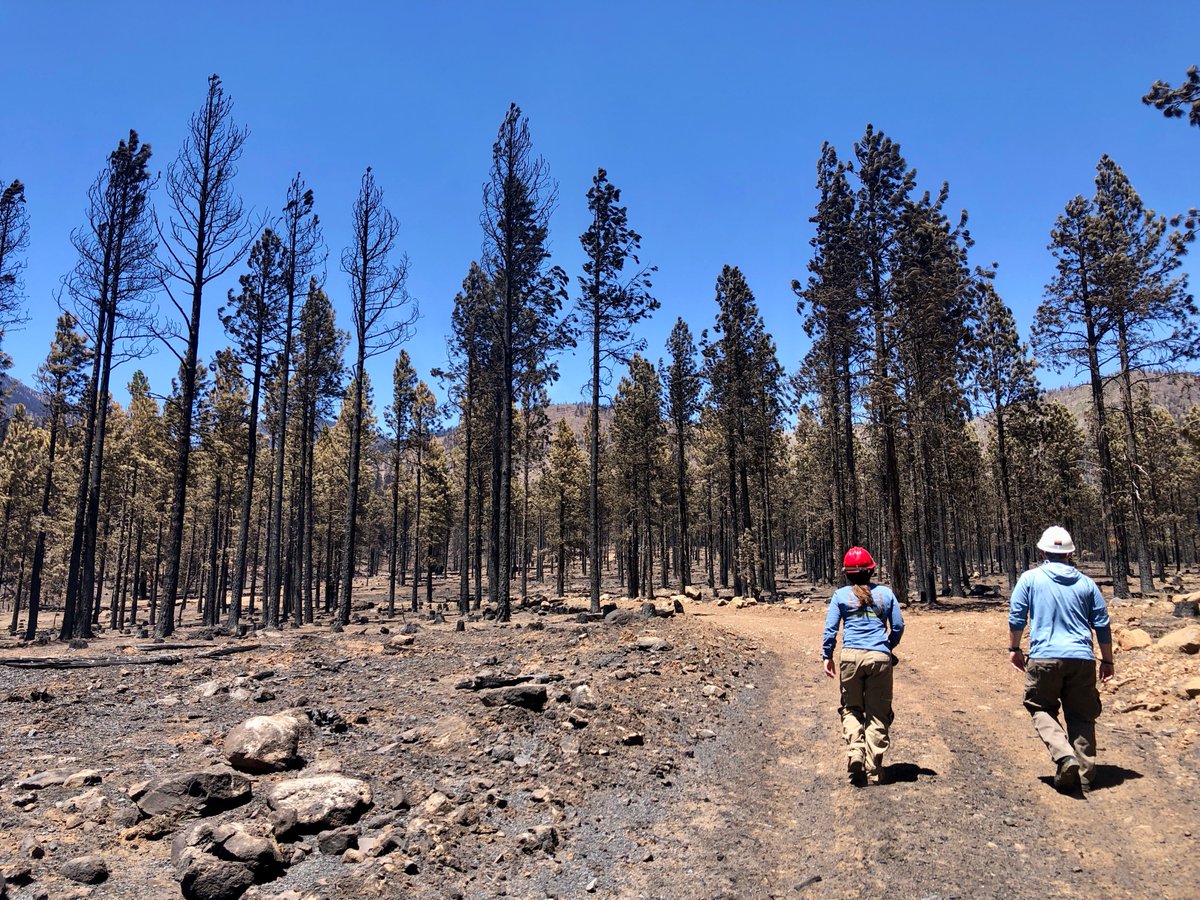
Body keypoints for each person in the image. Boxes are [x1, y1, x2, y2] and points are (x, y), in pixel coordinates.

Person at [1008, 525, 1114, 794]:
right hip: (1082, 658)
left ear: (1042, 551)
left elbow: (1017, 617)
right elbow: (1101, 624)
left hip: (1044, 656)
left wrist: (1015, 648)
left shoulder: (1030, 579)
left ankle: (1064, 756)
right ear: (1069, 553)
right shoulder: (1087, 583)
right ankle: (1086, 775)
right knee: (1081, 714)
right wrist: (1107, 660)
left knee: (1039, 706)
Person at [822, 546, 905, 786]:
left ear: (846, 573)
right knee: (878, 714)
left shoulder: (839, 596)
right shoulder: (886, 594)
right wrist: (887, 647)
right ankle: (874, 770)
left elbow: (830, 630)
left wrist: (827, 655)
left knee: (851, 708)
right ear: (871, 570)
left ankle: (856, 752)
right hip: (879, 658)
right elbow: (898, 626)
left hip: (850, 657)